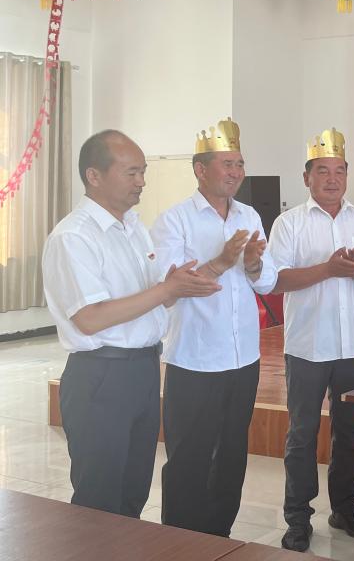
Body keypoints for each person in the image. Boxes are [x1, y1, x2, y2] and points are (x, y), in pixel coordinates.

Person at [42, 130, 221, 518]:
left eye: (143, 172)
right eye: (131, 173)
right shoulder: (74, 237)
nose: (141, 182)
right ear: (94, 175)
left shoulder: (134, 228)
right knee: (99, 497)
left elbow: (153, 300)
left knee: (133, 490)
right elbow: (90, 318)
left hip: (143, 369)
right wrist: (165, 290)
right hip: (101, 375)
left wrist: (177, 288)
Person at [268, 129, 354, 552]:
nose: (332, 179)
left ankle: (344, 508)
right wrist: (328, 268)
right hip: (307, 347)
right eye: (323, 171)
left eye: (339, 170)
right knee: (302, 434)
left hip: (352, 345)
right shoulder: (289, 224)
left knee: (350, 431)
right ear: (307, 177)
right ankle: (298, 517)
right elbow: (277, 280)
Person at [152, 117, 278, 537]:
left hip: (243, 360)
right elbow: (171, 286)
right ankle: (181, 542)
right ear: (200, 169)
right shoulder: (175, 221)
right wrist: (223, 261)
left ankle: (219, 537)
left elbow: (267, 280)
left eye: (240, 163)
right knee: (189, 458)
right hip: (196, 360)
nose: (236, 172)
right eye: (227, 163)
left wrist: (254, 264)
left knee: (232, 456)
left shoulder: (250, 214)